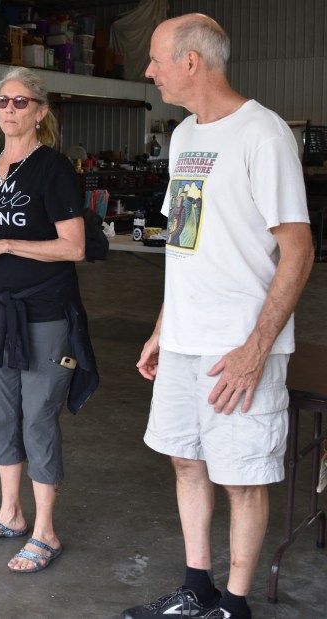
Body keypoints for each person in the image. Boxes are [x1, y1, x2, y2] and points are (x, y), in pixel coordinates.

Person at [123, 14, 313, 619]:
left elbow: (299, 250)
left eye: (156, 60)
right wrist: (163, 327)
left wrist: (257, 348)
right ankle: (197, 587)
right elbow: (183, 241)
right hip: (185, 338)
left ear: (191, 62)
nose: (148, 71)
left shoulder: (263, 134)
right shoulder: (183, 137)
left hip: (238, 344)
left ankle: (234, 604)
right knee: (186, 458)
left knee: (242, 476)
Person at [0, 66, 95, 573]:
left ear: (39, 111)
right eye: (2, 101)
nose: (9, 110)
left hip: (44, 312)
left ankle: (45, 531)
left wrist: (5, 244)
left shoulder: (53, 169)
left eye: (20, 102)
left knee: (37, 417)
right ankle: (10, 513)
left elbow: (74, 247)